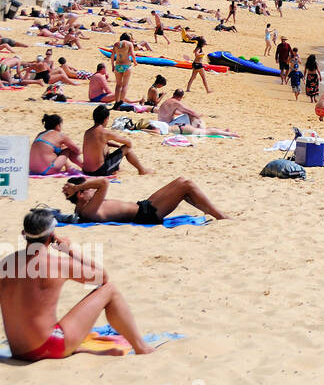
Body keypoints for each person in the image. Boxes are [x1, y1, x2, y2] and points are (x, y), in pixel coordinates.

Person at [0, 209, 155, 360]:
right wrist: (69, 251)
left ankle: (75, 349)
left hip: (18, 350)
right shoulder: (58, 264)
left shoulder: (6, 263)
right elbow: (103, 277)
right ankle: (142, 347)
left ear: (24, 235)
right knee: (110, 290)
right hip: (48, 346)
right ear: (52, 236)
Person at [61, 174, 228, 223]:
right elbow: (104, 182)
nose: (91, 190)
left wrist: (76, 188)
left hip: (144, 206)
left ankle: (214, 213)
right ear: (80, 194)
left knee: (181, 183)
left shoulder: (84, 207)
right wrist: (77, 187)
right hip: (146, 215)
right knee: (187, 184)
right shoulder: (88, 210)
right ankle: (220, 216)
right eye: (87, 189)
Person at [81, 104, 151, 177]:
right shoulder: (105, 133)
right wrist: (120, 149)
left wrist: (114, 145)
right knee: (127, 149)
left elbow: (97, 144)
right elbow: (129, 143)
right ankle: (142, 170)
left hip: (86, 171)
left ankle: (116, 168)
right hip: (99, 172)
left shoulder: (87, 132)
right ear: (106, 119)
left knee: (105, 146)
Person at [109, 33, 136, 106]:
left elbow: (112, 56)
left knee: (118, 85)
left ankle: (116, 101)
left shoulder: (116, 44)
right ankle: (121, 101)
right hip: (126, 66)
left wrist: (112, 66)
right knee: (125, 85)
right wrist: (135, 62)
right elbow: (133, 55)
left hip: (117, 66)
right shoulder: (129, 44)